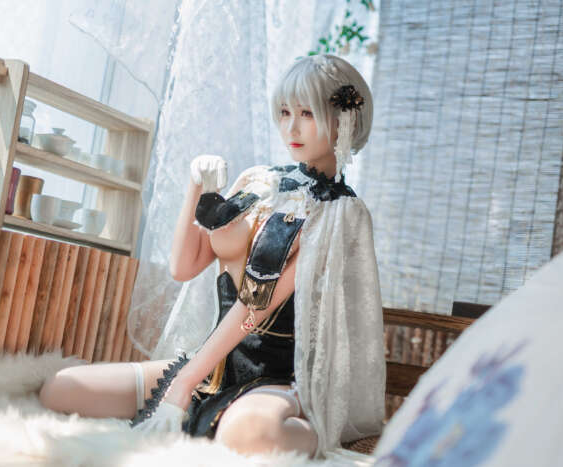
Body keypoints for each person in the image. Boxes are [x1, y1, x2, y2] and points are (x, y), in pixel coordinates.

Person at [37, 54, 386, 459]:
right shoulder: (259, 182)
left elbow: (255, 307)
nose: (291, 127)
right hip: (214, 364)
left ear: (343, 120)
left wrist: (184, 383)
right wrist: (196, 186)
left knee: (246, 435)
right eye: (285, 111)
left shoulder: (339, 212)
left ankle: (313, 434)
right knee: (60, 389)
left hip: (276, 377)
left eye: (307, 114)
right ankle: (211, 409)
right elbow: (184, 267)